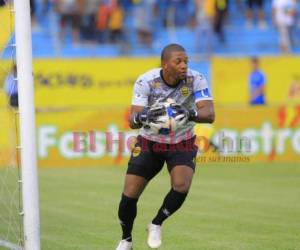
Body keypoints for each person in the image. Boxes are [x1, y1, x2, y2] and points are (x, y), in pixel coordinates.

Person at [116, 43, 215, 250]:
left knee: (181, 186)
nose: (183, 65)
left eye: (186, 61)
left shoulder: (196, 79)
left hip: (182, 141)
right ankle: (126, 239)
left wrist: (189, 113)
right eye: (178, 61)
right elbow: (132, 120)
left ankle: (156, 223)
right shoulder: (146, 81)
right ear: (165, 64)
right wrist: (142, 116)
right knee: (129, 195)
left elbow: (210, 114)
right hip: (150, 143)